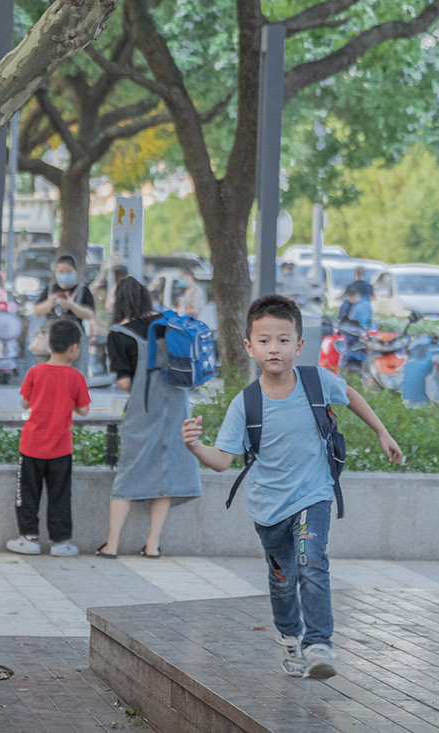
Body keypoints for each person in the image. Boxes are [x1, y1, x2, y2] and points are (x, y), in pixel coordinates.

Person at [182, 295, 404, 680]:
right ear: (250, 347)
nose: (275, 348)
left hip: (312, 497)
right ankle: (289, 636)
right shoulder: (245, 403)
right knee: (283, 580)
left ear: (299, 346)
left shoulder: (316, 382)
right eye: (265, 340)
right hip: (268, 509)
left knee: (310, 561)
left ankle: (319, 644)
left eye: (284, 340)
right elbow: (222, 460)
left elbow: (350, 396)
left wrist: (382, 432)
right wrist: (195, 446)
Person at [97, 278, 201, 558]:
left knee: (129, 470)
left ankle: (112, 544)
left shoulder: (119, 333)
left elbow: (124, 384)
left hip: (143, 411)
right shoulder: (169, 324)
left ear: (119, 301)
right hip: (177, 409)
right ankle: (153, 545)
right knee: (165, 472)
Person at [8, 319, 91, 557]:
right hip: (61, 448)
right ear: (74, 348)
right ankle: (60, 541)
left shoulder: (35, 372)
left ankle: (29, 538)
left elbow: (25, 402)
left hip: (32, 445)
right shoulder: (76, 378)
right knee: (60, 496)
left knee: (27, 494)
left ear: (49, 345)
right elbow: (84, 410)